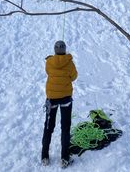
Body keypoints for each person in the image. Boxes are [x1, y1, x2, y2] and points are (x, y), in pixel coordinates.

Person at [41, 40, 78, 168]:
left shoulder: (49, 62)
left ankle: (44, 156)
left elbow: (48, 72)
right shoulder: (70, 63)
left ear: (55, 50)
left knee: (48, 127)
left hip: (51, 98)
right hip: (66, 99)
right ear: (64, 50)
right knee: (65, 128)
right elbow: (74, 77)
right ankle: (64, 159)